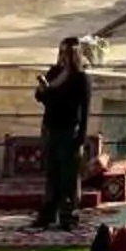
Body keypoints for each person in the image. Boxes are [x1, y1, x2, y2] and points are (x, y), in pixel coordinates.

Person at [37, 36, 91, 228]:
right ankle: (48, 214)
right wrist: (44, 90)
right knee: (52, 174)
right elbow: (41, 97)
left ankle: (69, 215)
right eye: (60, 52)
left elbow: (85, 109)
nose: (62, 57)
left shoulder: (80, 79)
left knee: (69, 176)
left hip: (70, 131)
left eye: (66, 53)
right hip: (51, 128)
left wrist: (81, 136)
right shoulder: (53, 73)